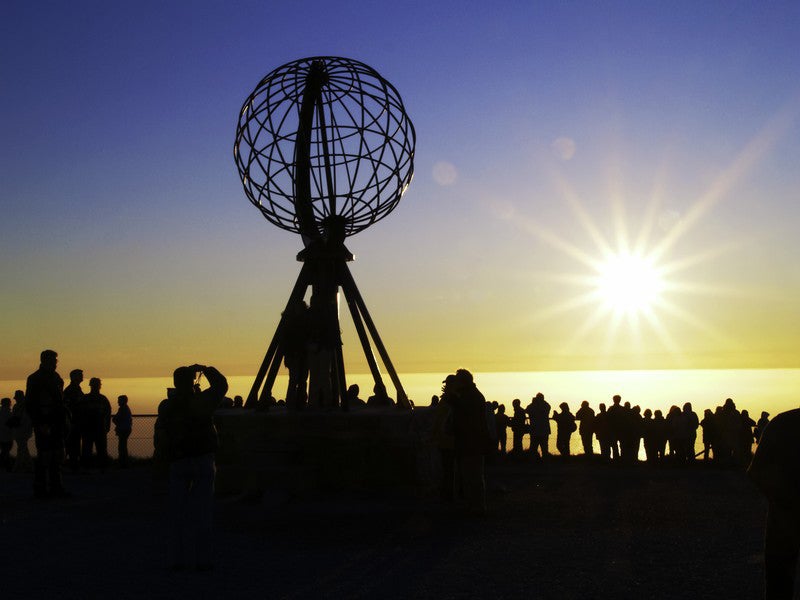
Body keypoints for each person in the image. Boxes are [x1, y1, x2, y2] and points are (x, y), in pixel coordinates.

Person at [161, 363, 228, 570]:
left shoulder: (166, 406)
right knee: (202, 512)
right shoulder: (202, 401)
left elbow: (163, 435)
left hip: (178, 461)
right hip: (202, 460)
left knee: (177, 515)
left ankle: (176, 560)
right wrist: (206, 369)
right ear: (191, 382)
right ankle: (203, 560)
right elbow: (221, 385)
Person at [747, 408, 800, 599]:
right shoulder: (782, 424)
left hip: (783, 516)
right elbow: (757, 472)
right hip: (784, 515)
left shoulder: (781, 423)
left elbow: (756, 471)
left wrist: (783, 499)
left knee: (779, 584)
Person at [26, 349, 68, 498]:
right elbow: (30, 404)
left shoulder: (56, 378)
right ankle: (40, 488)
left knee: (57, 455)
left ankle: (56, 487)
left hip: (56, 422)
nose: (56, 363)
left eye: (56, 360)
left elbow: (59, 402)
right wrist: (40, 422)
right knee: (45, 456)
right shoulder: (35, 378)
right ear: (45, 360)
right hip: (44, 423)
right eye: (53, 360)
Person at [450, 369, 489, 515]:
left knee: (472, 475)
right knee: (470, 474)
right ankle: (474, 505)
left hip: (471, 441)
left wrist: (455, 403)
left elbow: (467, 418)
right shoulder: (472, 395)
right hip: (471, 441)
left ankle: (476, 506)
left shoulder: (469, 397)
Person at [83, 377, 112, 468]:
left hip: (97, 428)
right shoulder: (101, 399)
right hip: (92, 428)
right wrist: (107, 426)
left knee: (98, 449)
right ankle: (98, 467)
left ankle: (99, 466)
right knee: (92, 449)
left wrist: (107, 426)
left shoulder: (88, 398)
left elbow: (108, 413)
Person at [63, 368, 86, 469]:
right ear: (74, 377)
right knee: (72, 443)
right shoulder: (71, 390)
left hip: (76, 421)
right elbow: (68, 407)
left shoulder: (76, 389)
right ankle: (72, 464)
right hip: (73, 422)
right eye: (80, 375)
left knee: (75, 443)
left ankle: (74, 464)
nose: (82, 377)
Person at [11, 390, 34, 473]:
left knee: (21, 449)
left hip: (22, 431)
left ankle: (17, 467)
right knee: (23, 449)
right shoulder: (19, 406)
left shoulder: (23, 407)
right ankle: (29, 466)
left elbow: (26, 420)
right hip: (19, 431)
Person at [527, 393, 551, 459]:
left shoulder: (533, 406)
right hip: (544, 430)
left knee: (533, 448)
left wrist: (533, 403)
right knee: (544, 448)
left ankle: (534, 461)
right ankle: (545, 461)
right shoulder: (546, 405)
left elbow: (527, 410)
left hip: (535, 430)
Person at [112, 395, 133, 467]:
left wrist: (115, 420)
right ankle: (124, 461)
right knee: (123, 445)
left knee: (122, 446)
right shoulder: (125, 408)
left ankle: (123, 462)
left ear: (123, 401)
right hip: (125, 429)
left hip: (124, 429)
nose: (118, 402)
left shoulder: (122, 409)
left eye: (119, 400)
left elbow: (116, 418)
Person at [0, 397, 13, 470]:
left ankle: (6, 466)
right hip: (7, 436)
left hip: (2, 436)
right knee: (6, 452)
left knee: (5, 451)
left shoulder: (2, 412)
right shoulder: (9, 413)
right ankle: (6, 466)